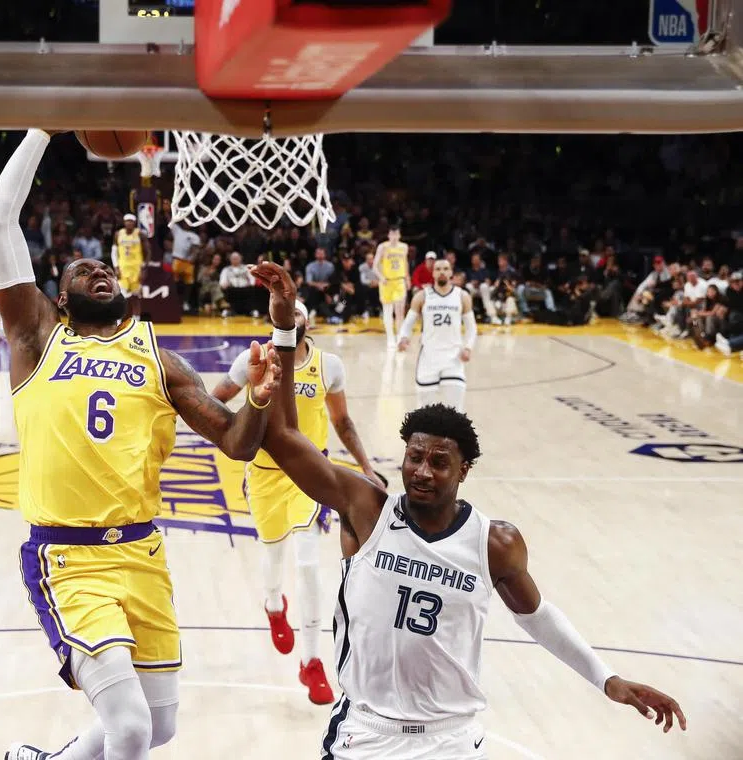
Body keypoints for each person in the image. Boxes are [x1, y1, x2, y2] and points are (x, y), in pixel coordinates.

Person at [249, 261, 685, 760]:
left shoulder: (494, 542)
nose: (422, 471)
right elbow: (285, 438)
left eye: (439, 462)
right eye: (414, 457)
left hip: (451, 739)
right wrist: (284, 329)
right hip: (365, 733)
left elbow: (538, 617)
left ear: (464, 470)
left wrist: (607, 679)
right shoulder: (366, 509)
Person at [0, 129, 281, 760]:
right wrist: (42, 127)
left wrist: (257, 397)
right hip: (68, 557)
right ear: (59, 299)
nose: (99, 271)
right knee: (129, 728)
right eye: (83, 271)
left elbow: (235, 443)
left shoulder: (160, 360)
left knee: (158, 726)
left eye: (105, 270)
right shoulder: (38, 339)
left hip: (142, 552)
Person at [211, 306, 380, 705]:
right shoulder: (254, 360)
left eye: (298, 314)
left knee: (308, 563)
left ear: (307, 322)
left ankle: (312, 661)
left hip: (309, 472)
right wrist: (242, 428)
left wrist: (367, 467)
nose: (293, 319)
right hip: (264, 473)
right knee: (272, 557)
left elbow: (342, 421)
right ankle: (273, 605)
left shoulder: (328, 365)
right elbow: (215, 400)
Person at [397, 259, 477, 413]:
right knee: (424, 411)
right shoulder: (422, 296)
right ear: (432, 273)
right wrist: (404, 338)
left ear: (451, 272)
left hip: (453, 358)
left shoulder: (462, 296)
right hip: (429, 357)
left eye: (445, 268)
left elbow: (471, 327)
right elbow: (408, 323)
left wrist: (468, 348)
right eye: (438, 269)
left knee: (456, 411)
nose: (442, 272)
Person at [375, 225, 410, 349]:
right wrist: (381, 277)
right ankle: (390, 337)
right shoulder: (382, 247)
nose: (394, 237)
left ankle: (399, 336)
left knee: (399, 311)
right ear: (389, 235)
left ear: (399, 235)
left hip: (399, 281)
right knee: (388, 311)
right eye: (392, 234)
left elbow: (405, 263)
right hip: (386, 282)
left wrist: (407, 278)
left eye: (396, 234)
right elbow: (375, 265)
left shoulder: (404, 247)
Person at [111, 213, 145, 297]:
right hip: (123, 268)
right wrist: (116, 267)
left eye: (131, 221)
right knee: (122, 295)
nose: (129, 223)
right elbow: (114, 252)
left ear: (135, 222)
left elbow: (147, 252)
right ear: (124, 222)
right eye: (127, 221)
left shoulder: (140, 234)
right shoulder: (118, 234)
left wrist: (144, 268)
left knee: (136, 296)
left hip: (136, 269)